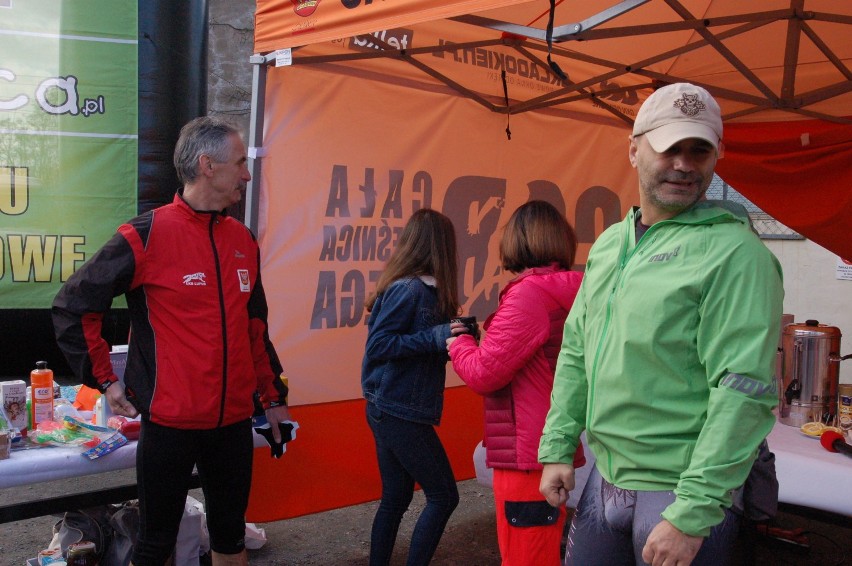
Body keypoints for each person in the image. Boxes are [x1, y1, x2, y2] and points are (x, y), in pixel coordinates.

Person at [538, 83, 784, 566]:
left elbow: (743, 391)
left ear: (717, 156)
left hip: (680, 492)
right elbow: (577, 350)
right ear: (634, 149)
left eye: (700, 150)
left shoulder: (737, 254)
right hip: (606, 479)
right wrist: (558, 446)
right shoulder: (612, 242)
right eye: (670, 146)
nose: (684, 164)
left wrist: (693, 514)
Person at [52, 116, 291, 566]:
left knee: (229, 535)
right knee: (156, 542)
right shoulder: (144, 235)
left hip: (232, 423)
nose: (247, 173)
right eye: (240, 162)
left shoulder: (242, 238)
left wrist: (273, 397)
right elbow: (74, 305)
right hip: (170, 425)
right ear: (207, 165)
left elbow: (253, 327)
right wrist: (106, 380)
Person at [447, 200, 586, 566]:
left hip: (528, 452)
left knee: (526, 557)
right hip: (552, 442)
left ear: (516, 241)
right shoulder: (574, 288)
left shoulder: (528, 295)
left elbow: (483, 373)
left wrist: (459, 342)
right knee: (542, 549)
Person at [361, 208, 464, 566]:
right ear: (440, 246)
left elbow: (417, 348)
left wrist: (455, 340)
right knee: (444, 496)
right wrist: (437, 337)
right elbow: (379, 346)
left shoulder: (429, 291)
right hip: (396, 409)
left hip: (394, 407)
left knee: (396, 498)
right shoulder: (408, 289)